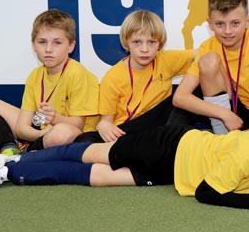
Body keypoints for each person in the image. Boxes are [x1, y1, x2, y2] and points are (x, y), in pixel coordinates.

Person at [0, 87, 249, 213]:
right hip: (167, 145)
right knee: (92, 154)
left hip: (174, 171)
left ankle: (10, 171)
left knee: (97, 179)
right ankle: (11, 162)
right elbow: (207, 193)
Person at [0, 9, 99, 160]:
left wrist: (55, 119)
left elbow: (78, 124)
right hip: (43, 132)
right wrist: (42, 134)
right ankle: (9, 147)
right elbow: (21, 128)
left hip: (75, 134)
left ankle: (27, 151)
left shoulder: (78, 74)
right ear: (33, 45)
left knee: (61, 133)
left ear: (71, 46)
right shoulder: (35, 75)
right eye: (42, 42)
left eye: (57, 43)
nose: (48, 49)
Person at [171, 0, 249, 134]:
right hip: (227, 108)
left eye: (235, 23)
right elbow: (179, 97)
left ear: (247, 21)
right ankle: (222, 135)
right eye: (220, 24)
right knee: (209, 60)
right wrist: (224, 114)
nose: (228, 31)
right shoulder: (208, 47)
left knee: (245, 146)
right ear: (210, 24)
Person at [75, 10, 193, 143]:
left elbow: (203, 54)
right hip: (127, 131)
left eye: (151, 42)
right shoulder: (113, 77)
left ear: (160, 43)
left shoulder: (166, 60)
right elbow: (106, 121)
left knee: (195, 85)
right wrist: (103, 125)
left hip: (158, 126)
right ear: (126, 43)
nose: (144, 49)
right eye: (137, 42)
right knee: (83, 140)